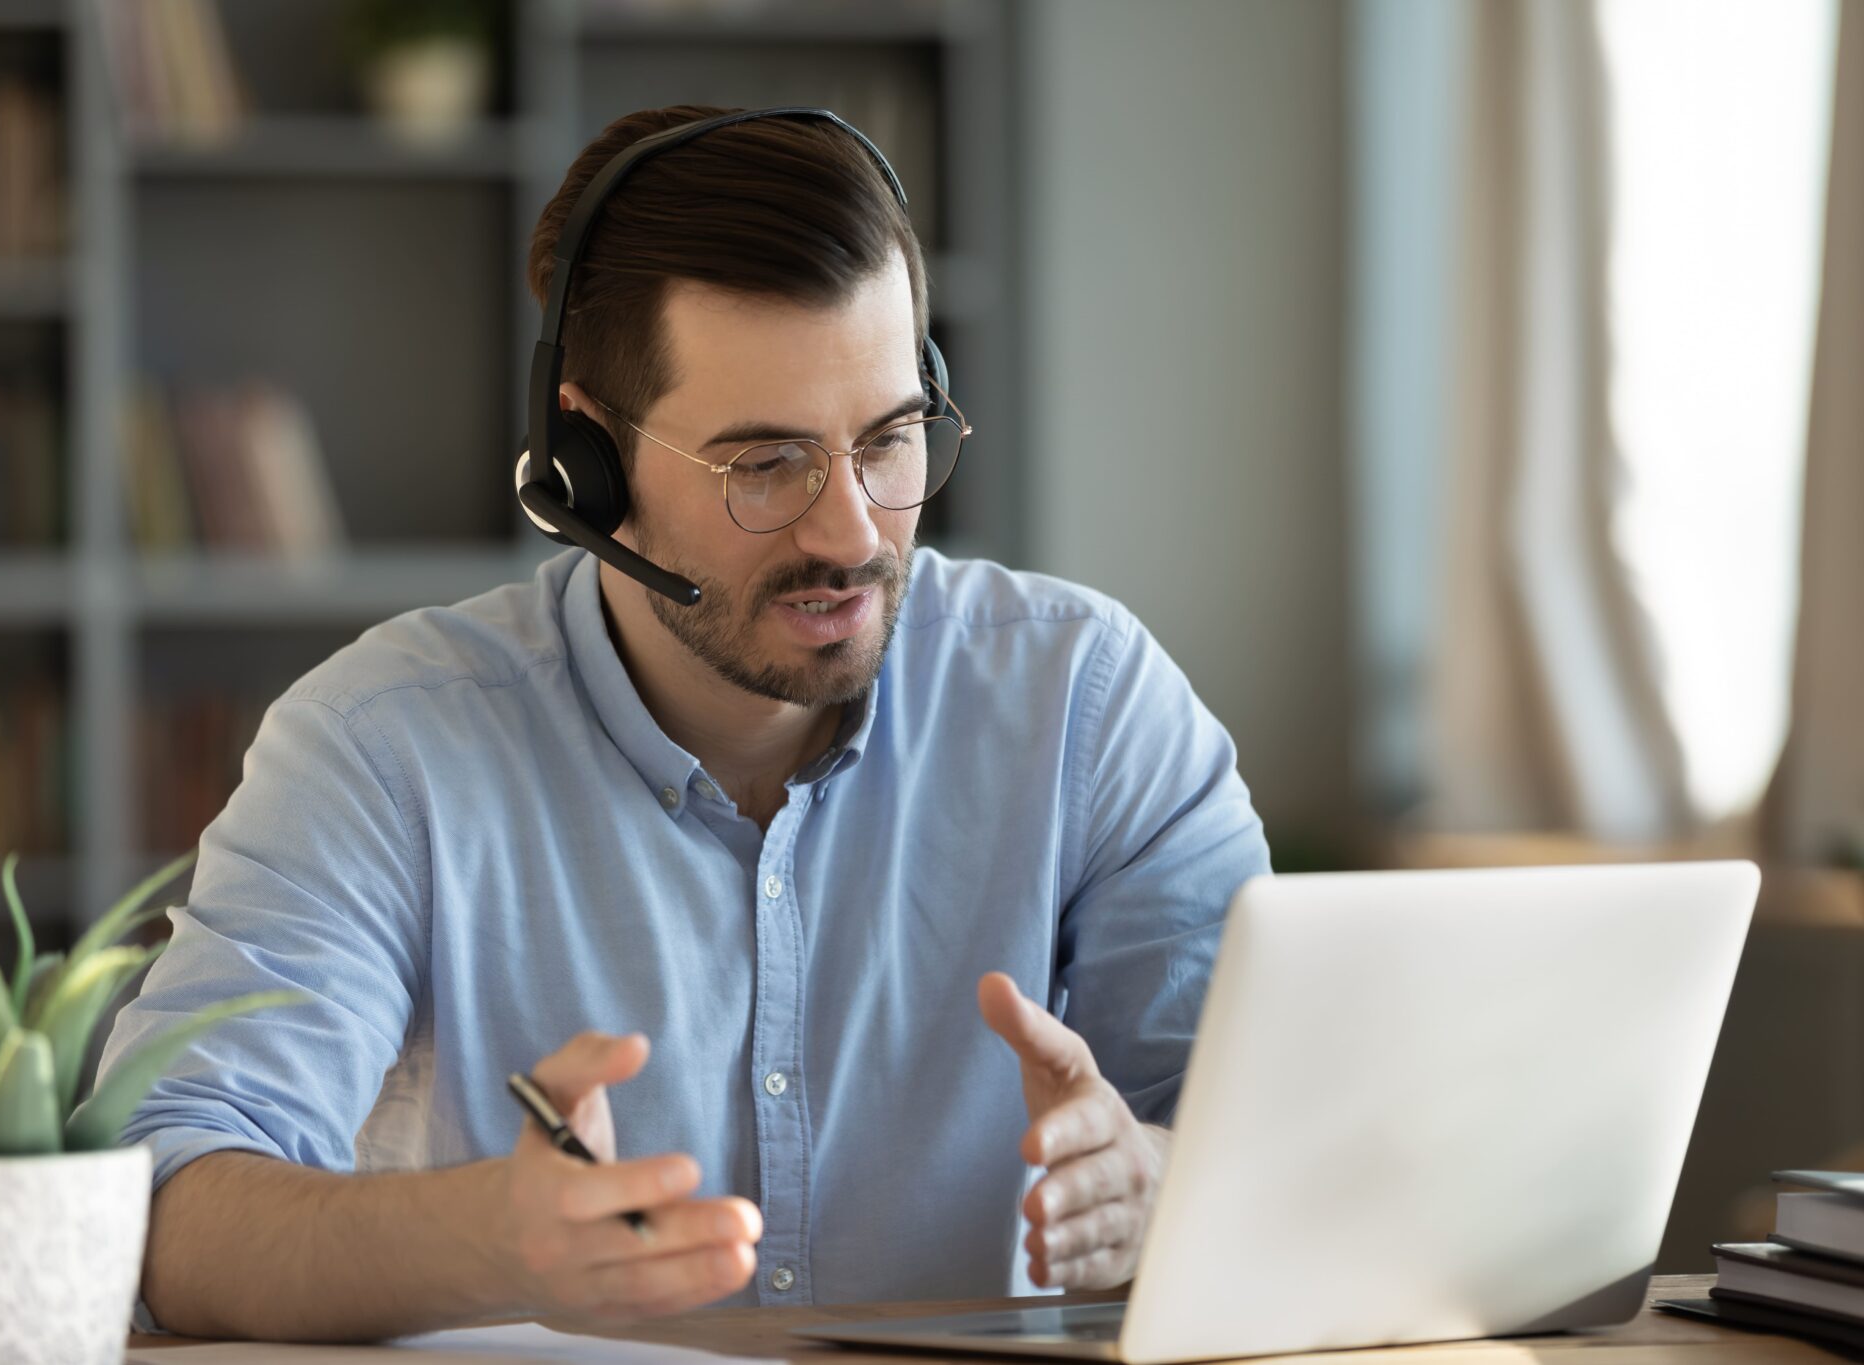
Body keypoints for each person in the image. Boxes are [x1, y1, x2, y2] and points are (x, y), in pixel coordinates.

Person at [90, 104, 1271, 1344]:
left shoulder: (1086, 706)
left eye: (889, 440)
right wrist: (491, 1241)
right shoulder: (381, 748)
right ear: (584, 467)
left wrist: (1159, 1186)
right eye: (763, 464)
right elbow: (166, 1209)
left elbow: (1309, 1155)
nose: (852, 533)